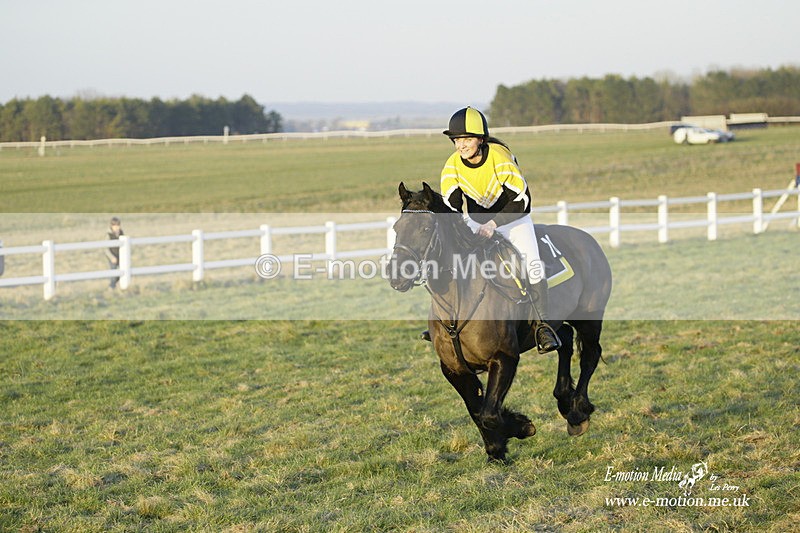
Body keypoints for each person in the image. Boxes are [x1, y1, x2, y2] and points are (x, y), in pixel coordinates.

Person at [425, 106, 561, 353]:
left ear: (480, 139)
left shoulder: (499, 157)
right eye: (456, 140)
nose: (461, 146)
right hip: (477, 222)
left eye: (466, 139)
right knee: (456, 261)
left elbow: (522, 202)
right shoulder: (452, 166)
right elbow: (452, 208)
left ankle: (543, 327)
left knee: (532, 264)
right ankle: (444, 322)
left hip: (514, 219)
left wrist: (493, 224)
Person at [105, 217, 124, 289]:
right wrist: (111, 257)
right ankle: (111, 287)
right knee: (113, 272)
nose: (116, 227)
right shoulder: (109, 235)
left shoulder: (121, 233)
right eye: (115, 226)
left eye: (118, 225)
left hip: (120, 256)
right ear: (111, 226)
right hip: (112, 256)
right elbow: (106, 248)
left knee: (121, 271)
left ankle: (118, 285)